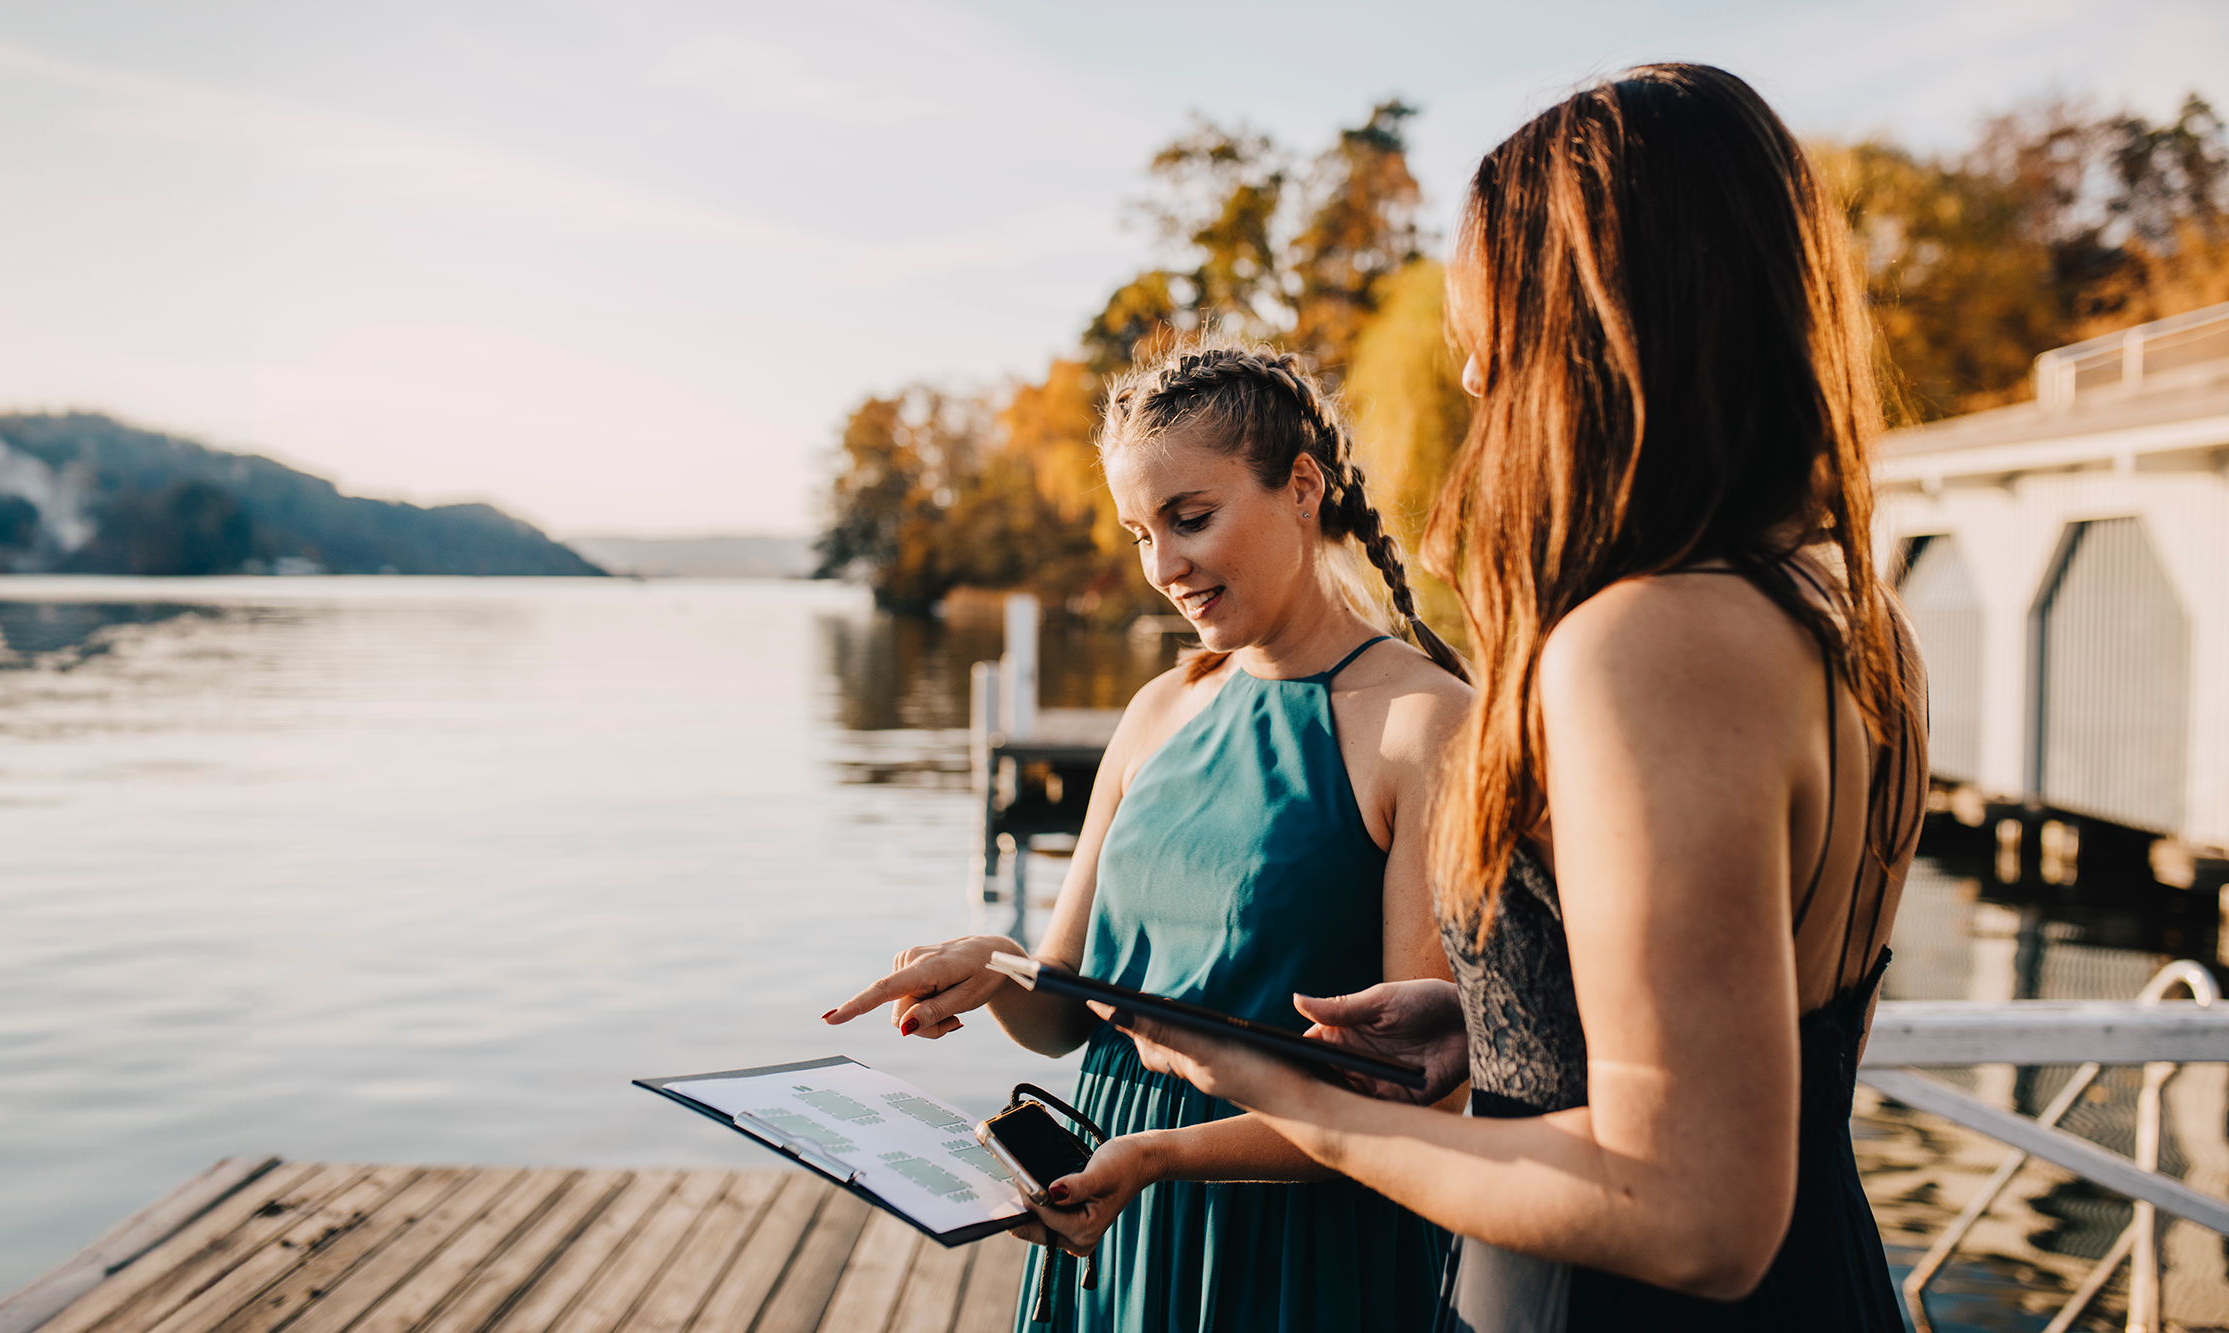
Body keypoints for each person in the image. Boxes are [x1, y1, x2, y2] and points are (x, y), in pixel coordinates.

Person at [1081, 65, 1927, 1331]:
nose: (1474, 383)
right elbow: (1767, 1043)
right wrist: (1489, 1015)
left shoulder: (1644, 643)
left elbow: (1692, 1209)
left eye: (1491, 335)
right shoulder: (1848, 614)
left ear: (1603, 324)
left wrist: (1294, 1095)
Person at [825, 338, 1475, 1333]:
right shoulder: (1156, 712)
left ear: (1301, 487)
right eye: (1138, 533)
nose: (1162, 567)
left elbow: (1412, 1107)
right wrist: (996, 967)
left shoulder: (1425, 724)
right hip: (1107, 1214)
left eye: (1190, 518)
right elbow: (1066, 1013)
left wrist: (1165, 1157)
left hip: (1301, 1250)